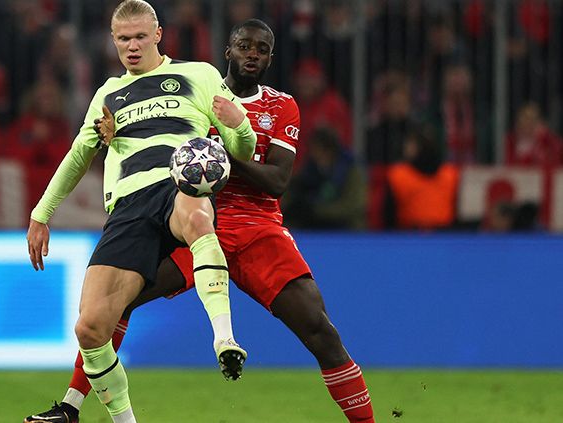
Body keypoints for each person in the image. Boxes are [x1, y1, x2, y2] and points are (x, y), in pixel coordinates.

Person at [25, 18, 375, 423]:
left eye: (260, 50)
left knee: (320, 331)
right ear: (228, 51)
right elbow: (156, 145)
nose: (252, 55)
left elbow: (278, 181)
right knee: (117, 302)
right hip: (198, 221)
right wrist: (112, 134)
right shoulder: (198, 92)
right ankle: (71, 405)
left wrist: (222, 157)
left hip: (257, 228)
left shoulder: (281, 105)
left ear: (269, 58)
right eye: (244, 47)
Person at [24, 1, 257, 422]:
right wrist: (42, 214)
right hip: (128, 206)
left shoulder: (198, 75)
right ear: (113, 41)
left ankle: (224, 338)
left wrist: (239, 125)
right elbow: (79, 155)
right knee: (90, 328)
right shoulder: (108, 94)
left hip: (178, 184)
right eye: (123, 39)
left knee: (198, 216)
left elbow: (243, 150)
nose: (132, 47)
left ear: (158, 35)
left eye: (139, 37)